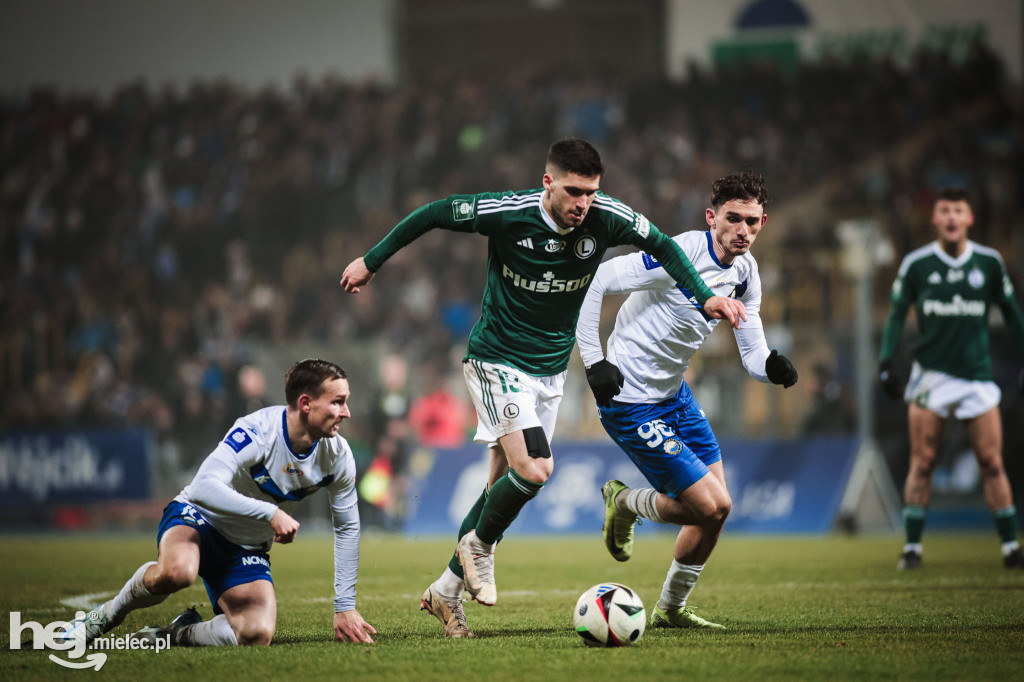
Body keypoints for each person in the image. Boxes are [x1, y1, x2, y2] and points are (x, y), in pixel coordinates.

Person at [341, 138, 747, 638]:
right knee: (535, 470)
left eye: (592, 194)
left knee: (500, 486)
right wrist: (372, 261)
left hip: (549, 372)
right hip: (496, 360)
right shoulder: (508, 212)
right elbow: (433, 213)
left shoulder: (607, 217)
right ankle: (480, 549)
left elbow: (662, 245)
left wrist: (705, 297)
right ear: (548, 182)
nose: (583, 204)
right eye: (574, 191)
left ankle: (445, 592)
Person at [576, 170, 797, 630]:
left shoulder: (747, 272)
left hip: (675, 396)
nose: (743, 231)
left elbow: (752, 350)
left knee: (717, 510)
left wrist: (771, 366)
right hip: (630, 398)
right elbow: (598, 280)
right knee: (710, 505)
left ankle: (670, 610)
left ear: (763, 223)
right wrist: (594, 360)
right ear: (711, 217)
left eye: (753, 222)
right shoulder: (676, 255)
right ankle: (625, 502)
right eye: (734, 219)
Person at [61, 359, 377, 646]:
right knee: (177, 573)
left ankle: (176, 633)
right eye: (338, 402)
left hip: (246, 547)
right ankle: (104, 616)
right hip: (198, 518)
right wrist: (270, 512)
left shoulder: (338, 455)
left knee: (256, 634)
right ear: (306, 403)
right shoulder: (258, 431)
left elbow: (347, 527)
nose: (346, 412)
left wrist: (345, 606)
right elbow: (202, 487)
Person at [878, 187, 1024, 570]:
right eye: (945, 210)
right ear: (936, 218)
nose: (952, 217)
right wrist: (885, 360)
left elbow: (1011, 313)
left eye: (959, 210)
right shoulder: (917, 264)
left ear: (970, 218)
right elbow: (896, 315)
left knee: (992, 462)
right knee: (923, 461)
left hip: (977, 377)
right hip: (932, 377)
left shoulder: (990, 263)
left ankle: (1011, 548)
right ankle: (912, 549)